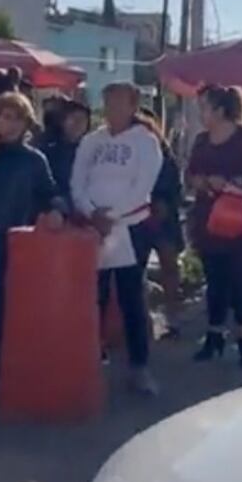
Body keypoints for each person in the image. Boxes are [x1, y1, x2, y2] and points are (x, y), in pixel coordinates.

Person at [0, 92, 65, 401]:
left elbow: (51, 192)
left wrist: (58, 210)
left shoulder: (33, 160)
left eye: (16, 118)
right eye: (3, 117)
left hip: (13, 247)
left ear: (26, 124)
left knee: (3, 317)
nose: (8, 125)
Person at [71, 83, 163, 394]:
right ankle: (89, 360)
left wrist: (113, 217)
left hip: (129, 228)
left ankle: (139, 367)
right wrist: (90, 212)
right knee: (90, 297)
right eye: (107, 102)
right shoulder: (92, 141)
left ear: (132, 104)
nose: (111, 108)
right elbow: (77, 180)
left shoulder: (146, 142)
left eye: (117, 102)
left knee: (130, 298)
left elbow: (143, 186)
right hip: (92, 228)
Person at [187, 85, 242, 370]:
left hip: (240, 223)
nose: (200, 113)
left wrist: (229, 183)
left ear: (220, 110)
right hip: (209, 221)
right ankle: (214, 337)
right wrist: (199, 181)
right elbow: (189, 174)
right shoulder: (201, 141)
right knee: (214, 282)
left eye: (204, 107)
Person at [139, 107, 186, 339]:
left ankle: (173, 317)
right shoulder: (131, 153)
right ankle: (142, 319)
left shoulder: (165, 156)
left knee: (169, 267)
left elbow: (176, 187)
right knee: (137, 271)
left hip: (164, 219)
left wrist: (164, 203)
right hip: (137, 216)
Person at [42, 99, 91, 203]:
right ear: (63, 121)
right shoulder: (48, 148)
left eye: (82, 119)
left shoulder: (92, 148)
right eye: (73, 118)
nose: (78, 123)